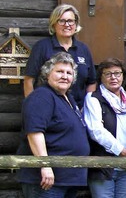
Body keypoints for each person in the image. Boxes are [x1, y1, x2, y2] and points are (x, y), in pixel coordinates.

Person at [17, 52, 90, 198]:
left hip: (67, 179)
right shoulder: (42, 96)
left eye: (69, 73)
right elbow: (34, 132)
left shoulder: (68, 98)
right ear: (47, 73)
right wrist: (45, 165)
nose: (65, 76)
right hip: (47, 180)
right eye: (59, 71)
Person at [24, 4, 97, 109]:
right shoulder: (42, 47)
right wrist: (33, 106)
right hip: (48, 109)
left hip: (78, 110)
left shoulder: (83, 49)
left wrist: (88, 108)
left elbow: (91, 82)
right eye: (62, 21)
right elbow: (29, 80)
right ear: (54, 24)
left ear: (76, 24)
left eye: (70, 21)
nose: (67, 25)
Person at [84, 58, 126, 198]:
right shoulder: (94, 98)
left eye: (117, 73)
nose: (113, 77)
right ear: (101, 77)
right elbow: (96, 130)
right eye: (108, 74)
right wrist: (120, 150)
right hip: (104, 166)